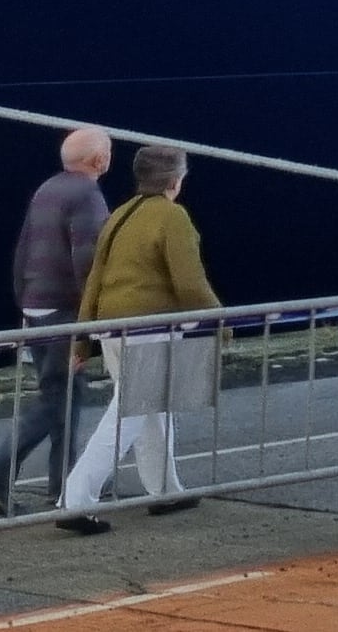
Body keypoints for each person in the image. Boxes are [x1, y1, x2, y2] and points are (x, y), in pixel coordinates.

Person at [56, 144, 219, 534]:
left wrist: (82, 341)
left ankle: (165, 490)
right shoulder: (173, 217)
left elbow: (94, 280)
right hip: (149, 329)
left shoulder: (119, 216)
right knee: (129, 411)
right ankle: (74, 499)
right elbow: (190, 284)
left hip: (112, 327)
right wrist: (221, 322)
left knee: (149, 409)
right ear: (175, 180)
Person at [0, 127, 110, 516]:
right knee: (56, 398)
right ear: (99, 160)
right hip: (65, 309)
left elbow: (23, 249)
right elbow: (88, 261)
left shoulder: (46, 189)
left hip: (36, 304)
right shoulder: (87, 195)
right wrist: (92, 323)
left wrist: (24, 303)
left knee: (67, 395)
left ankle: (64, 485)